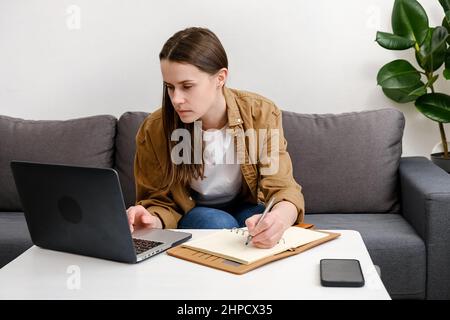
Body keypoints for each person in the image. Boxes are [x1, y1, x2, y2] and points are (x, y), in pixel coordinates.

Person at [126, 27, 304, 249]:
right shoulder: (154, 129)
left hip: (246, 206)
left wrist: (279, 218)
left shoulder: (261, 113)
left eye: (187, 86)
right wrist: (151, 220)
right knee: (219, 223)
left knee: (258, 221)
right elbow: (159, 202)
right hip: (195, 211)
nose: (176, 99)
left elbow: (282, 188)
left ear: (220, 78)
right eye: (170, 88)